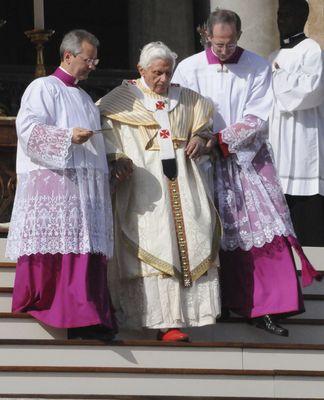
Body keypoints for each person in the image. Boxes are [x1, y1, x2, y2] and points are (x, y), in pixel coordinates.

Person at [173, 9, 320, 337]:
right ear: (206, 35)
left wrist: (222, 140)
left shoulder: (256, 66)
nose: (224, 50)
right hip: (202, 162)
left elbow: (260, 114)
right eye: (218, 43)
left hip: (245, 160)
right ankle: (219, 303)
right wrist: (200, 135)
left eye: (230, 43)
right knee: (211, 233)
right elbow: (180, 109)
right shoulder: (189, 68)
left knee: (265, 232)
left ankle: (266, 307)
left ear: (238, 37)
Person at [97, 41, 221, 342]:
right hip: (143, 186)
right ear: (141, 70)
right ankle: (157, 320)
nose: (163, 80)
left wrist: (202, 141)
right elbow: (105, 135)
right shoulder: (121, 100)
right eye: (157, 73)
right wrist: (117, 158)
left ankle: (180, 318)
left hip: (183, 183)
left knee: (190, 241)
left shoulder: (190, 100)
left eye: (168, 73)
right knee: (155, 244)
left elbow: (206, 132)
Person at [6, 29, 116, 340]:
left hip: (84, 188)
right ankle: (62, 309)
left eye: (95, 60)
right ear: (67, 56)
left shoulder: (84, 97)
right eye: (88, 60)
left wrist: (113, 161)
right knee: (64, 250)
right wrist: (67, 136)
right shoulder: (43, 87)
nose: (92, 66)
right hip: (57, 185)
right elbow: (28, 130)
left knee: (85, 248)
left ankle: (89, 314)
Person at [269, 0, 324, 246]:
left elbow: (310, 90)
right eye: (280, 14)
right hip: (278, 137)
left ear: (302, 17)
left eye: (288, 15)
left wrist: (279, 75)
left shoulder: (312, 50)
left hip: (304, 135)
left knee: (306, 204)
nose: (282, 20)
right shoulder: (272, 55)